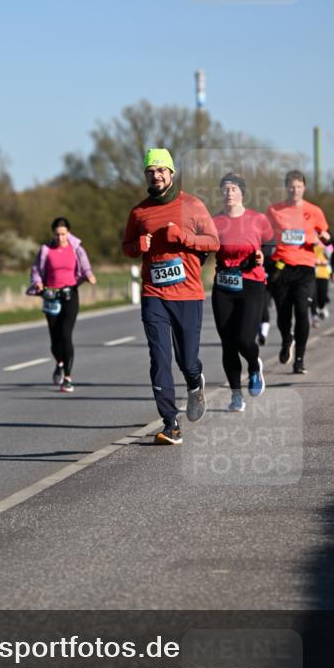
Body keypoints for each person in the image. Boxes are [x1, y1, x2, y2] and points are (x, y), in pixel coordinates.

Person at [122, 148, 219, 445]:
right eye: (151, 170)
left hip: (188, 293)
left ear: (172, 173)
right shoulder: (139, 212)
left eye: (162, 170)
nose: (157, 175)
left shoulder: (192, 205)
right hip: (154, 293)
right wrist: (138, 244)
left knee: (186, 360)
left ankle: (194, 381)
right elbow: (126, 246)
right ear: (146, 175)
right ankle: (170, 423)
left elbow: (213, 241)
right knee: (159, 358)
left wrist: (186, 238)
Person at [211, 174, 272, 412]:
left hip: (251, 283)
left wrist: (262, 255)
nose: (228, 193)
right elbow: (203, 248)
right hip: (224, 285)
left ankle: (255, 367)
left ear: (242, 193)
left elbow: (271, 243)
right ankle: (236, 395)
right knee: (228, 342)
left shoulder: (257, 219)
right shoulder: (214, 221)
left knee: (245, 339)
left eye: (233, 188)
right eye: (225, 189)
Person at [266, 170, 331, 374]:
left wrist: (322, 238)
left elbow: (325, 235)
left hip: (305, 267)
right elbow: (264, 235)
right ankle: (287, 339)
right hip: (281, 266)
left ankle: (300, 359)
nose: (295, 190)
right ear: (286, 188)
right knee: (283, 313)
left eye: (299, 187)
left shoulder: (314, 211)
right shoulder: (274, 210)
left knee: (302, 311)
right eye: (291, 187)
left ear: (304, 188)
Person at [29, 218, 97, 393]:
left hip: (70, 295)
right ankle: (60, 362)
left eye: (63, 234)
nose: (60, 237)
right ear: (53, 234)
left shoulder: (76, 249)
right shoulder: (46, 250)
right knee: (54, 338)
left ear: (69, 233)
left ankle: (67, 377)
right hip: (51, 295)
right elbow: (36, 270)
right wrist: (37, 283)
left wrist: (89, 276)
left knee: (66, 334)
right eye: (57, 234)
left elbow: (85, 265)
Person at [310, 241, 333, 328]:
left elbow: (329, 255)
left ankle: (322, 307)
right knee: (313, 296)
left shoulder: (327, 245)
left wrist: (324, 247)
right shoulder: (310, 245)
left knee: (322, 295)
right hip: (312, 274)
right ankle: (314, 317)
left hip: (324, 274)